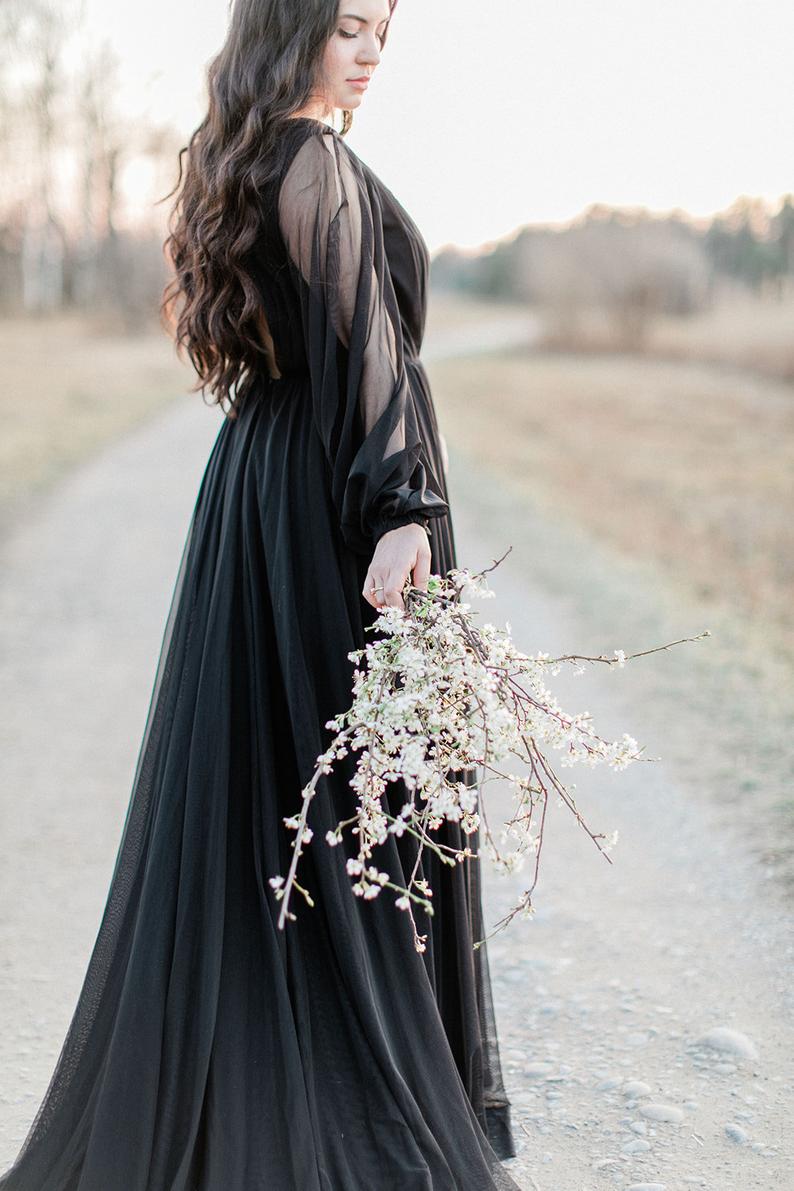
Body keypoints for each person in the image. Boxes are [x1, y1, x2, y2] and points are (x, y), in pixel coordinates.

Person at [0, 1, 520, 1187]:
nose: (372, 52)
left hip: (266, 483)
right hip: (334, 500)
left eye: (384, 29)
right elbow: (369, 344)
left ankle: (286, 1088)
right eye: (347, 26)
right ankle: (348, 1114)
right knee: (345, 801)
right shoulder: (313, 159)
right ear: (288, 28)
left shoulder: (248, 154)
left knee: (277, 799)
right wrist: (400, 508)